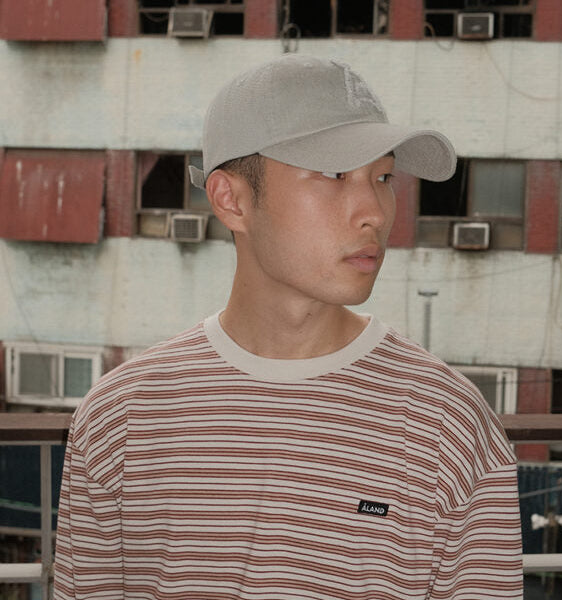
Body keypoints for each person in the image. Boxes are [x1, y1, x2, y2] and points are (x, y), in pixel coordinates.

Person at [54, 55, 523, 599]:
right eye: (334, 174)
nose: (374, 212)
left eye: (383, 177)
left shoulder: (449, 425)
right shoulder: (122, 417)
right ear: (231, 200)